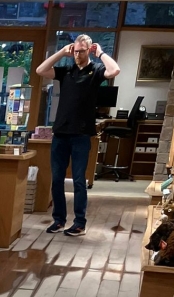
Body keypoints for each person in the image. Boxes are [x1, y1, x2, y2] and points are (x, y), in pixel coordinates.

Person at [36, 35, 120, 236]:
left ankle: (79, 223)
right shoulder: (66, 71)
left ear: (89, 50)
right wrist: (61, 52)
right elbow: (40, 70)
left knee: (79, 180)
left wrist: (100, 53)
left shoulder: (96, 70)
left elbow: (114, 70)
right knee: (57, 178)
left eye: (81, 51)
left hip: (81, 134)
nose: (77, 54)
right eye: (75, 51)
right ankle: (59, 220)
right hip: (61, 133)